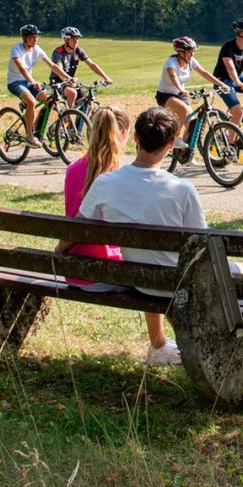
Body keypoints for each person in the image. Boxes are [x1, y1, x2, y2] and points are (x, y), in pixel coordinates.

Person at [77, 107, 243, 366]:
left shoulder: (105, 183)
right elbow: (203, 246)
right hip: (179, 283)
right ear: (172, 144)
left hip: (139, 281)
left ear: (136, 138)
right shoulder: (182, 189)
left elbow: (81, 227)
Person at [56, 106, 170, 357]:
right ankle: (159, 344)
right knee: (151, 269)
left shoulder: (73, 168)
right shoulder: (118, 176)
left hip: (74, 271)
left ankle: (161, 343)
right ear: (125, 133)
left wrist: (59, 252)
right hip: (104, 273)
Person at [6, 24, 69, 146]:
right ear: (25, 38)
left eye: (37, 37)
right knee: (31, 102)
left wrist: (68, 77)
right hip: (15, 82)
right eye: (32, 37)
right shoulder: (16, 49)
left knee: (49, 102)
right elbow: (22, 68)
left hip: (29, 81)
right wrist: (32, 81)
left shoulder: (37, 49)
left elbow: (53, 66)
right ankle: (29, 136)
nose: (35, 40)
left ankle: (40, 131)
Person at [155, 36, 226, 143]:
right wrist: (181, 89)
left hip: (180, 96)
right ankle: (174, 140)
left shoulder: (190, 61)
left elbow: (204, 73)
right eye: (189, 52)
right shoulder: (171, 62)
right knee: (184, 110)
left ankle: (185, 155)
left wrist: (222, 84)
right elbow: (172, 75)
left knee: (192, 126)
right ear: (180, 52)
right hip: (165, 95)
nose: (192, 54)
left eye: (193, 51)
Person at [51, 26, 112, 109]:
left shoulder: (78, 50)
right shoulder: (58, 52)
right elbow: (59, 70)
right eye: (73, 39)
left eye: (77, 39)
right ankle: (66, 118)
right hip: (58, 82)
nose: (76, 41)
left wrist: (106, 77)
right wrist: (68, 80)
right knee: (72, 93)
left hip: (71, 81)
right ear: (66, 39)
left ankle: (80, 121)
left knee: (88, 103)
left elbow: (92, 64)